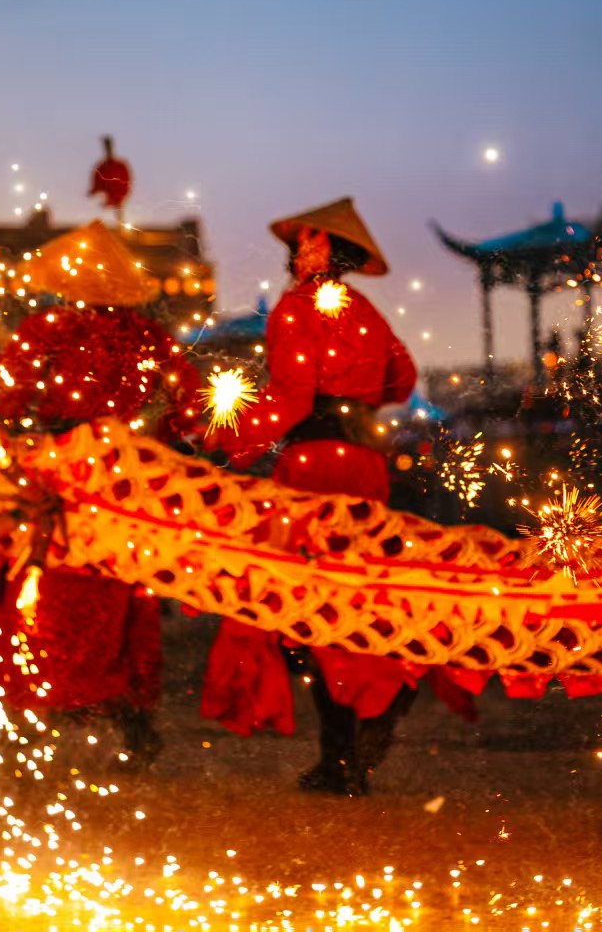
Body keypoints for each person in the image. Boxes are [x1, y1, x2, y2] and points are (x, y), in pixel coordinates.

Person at [201, 197, 426, 795]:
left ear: (305, 253)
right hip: (366, 468)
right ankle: (377, 711)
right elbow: (403, 377)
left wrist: (232, 438)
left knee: (299, 609)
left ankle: (344, 754)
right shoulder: (367, 310)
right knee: (358, 602)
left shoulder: (296, 309)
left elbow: (291, 397)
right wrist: (356, 391)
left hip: (312, 469)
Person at [0, 220, 201, 768]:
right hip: (127, 477)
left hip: (61, 475)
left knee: (48, 591)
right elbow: (191, 407)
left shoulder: (47, 329)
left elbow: (2, 400)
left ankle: (45, 710)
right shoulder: (150, 339)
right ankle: (128, 711)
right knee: (122, 591)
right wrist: (153, 441)